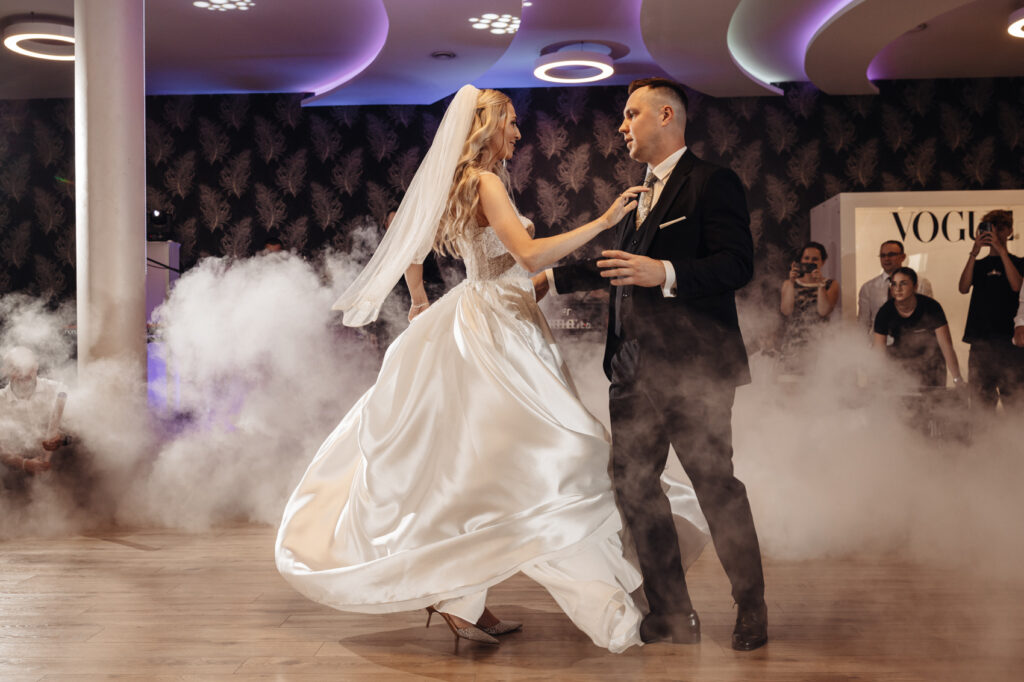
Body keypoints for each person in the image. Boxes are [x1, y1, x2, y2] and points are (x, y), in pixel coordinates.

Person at [275, 85, 709, 653]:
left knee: (485, 468)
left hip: (495, 314)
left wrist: (420, 297)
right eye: (511, 122)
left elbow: (409, 236)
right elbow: (529, 256)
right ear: (486, 126)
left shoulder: (460, 183)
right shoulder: (485, 181)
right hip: (496, 328)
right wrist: (604, 219)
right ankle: (588, 602)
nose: (519, 133)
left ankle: (460, 599)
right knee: (551, 459)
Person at [541, 78, 767, 651]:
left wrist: (664, 272)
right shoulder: (637, 194)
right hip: (631, 371)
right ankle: (672, 614)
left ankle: (752, 607)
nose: (621, 127)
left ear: (666, 115)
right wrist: (552, 279)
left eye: (630, 114)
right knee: (635, 490)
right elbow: (619, 265)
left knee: (715, 486)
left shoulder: (712, 181)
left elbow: (737, 264)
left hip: (696, 371)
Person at [957, 210, 1024, 409]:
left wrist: (1001, 251)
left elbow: (1017, 286)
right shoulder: (979, 264)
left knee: (1014, 401)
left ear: (1009, 231)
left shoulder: (1019, 262)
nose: (995, 233)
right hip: (980, 341)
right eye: (990, 228)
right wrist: (974, 251)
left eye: (1000, 228)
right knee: (980, 401)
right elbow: (963, 288)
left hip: (1010, 342)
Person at [872, 267, 963, 389]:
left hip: (932, 367)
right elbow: (879, 351)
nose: (898, 289)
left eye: (903, 284)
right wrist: (877, 382)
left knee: (933, 400)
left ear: (915, 287)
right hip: (899, 368)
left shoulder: (931, 307)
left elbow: (946, 346)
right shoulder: (885, 312)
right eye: (894, 284)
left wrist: (957, 379)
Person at [0, 347, 70, 492]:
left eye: (28, 367)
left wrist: (62, 439)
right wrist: (24, 463)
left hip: (61, 470)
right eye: (16, 369)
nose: (23, 374)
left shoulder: (58, 390)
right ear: (5, 371)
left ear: (36, 366)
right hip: (16, 475)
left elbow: (80, 431)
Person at [778, 241, 840, 373]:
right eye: (806, 258)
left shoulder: (831, 284)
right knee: (791, 383)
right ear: (800, 260)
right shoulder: (788, 283)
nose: (809, 262)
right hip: (793, 343)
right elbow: (786, 310)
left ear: (823, 262)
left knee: (819, 382)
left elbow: (823, 311)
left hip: (820, 344)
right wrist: (792, 282)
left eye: (814, 259)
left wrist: (820, 284)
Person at [858, 240, 933, 336]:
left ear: (903, 257)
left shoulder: (921, 283)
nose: (886, 259)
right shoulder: (868, 288)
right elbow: (863, 324)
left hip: (911, 340)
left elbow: (928, 318)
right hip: (877, 341)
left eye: (891, 255)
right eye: (882, 255)